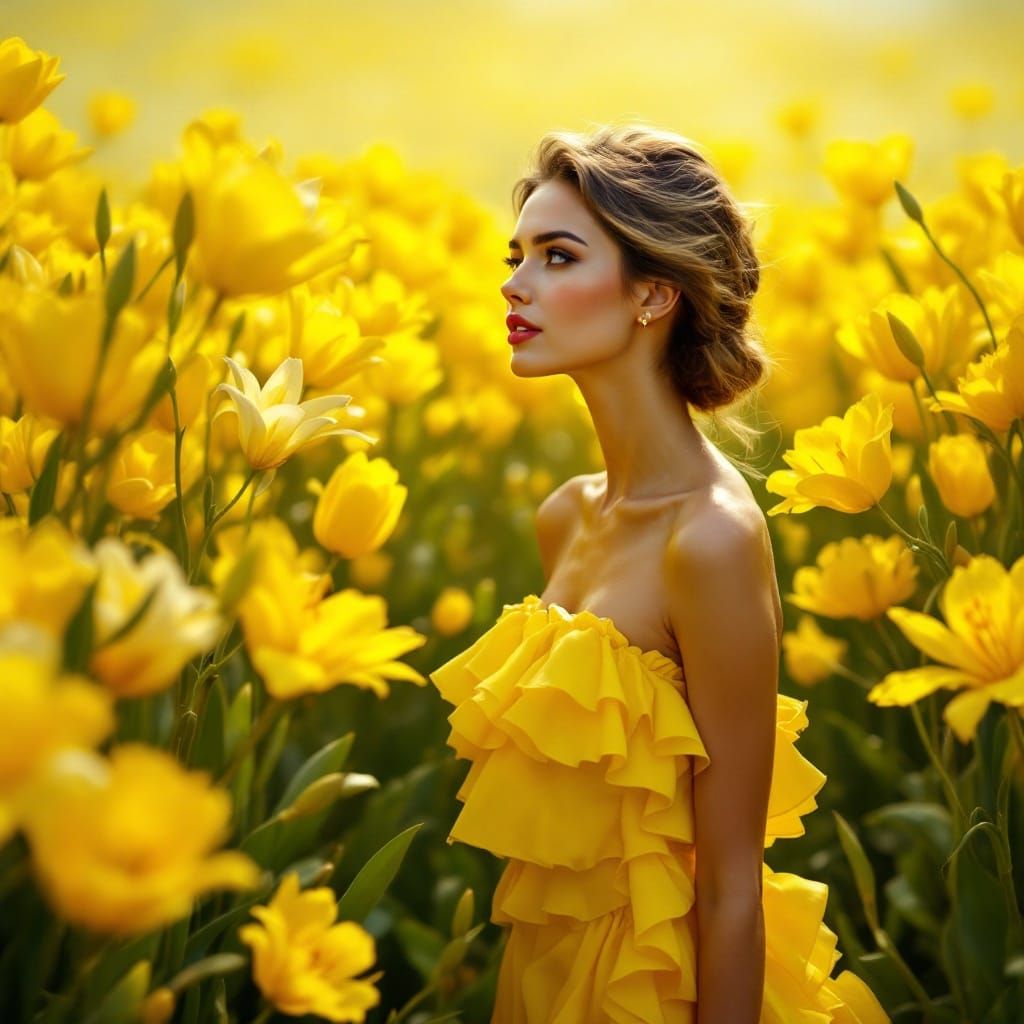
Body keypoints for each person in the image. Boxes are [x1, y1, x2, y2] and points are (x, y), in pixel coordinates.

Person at [429, 123, 889, 1023]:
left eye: (557, 257)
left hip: (666, 988)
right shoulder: (564, 515)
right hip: (543, 984)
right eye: (516, 255)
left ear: (652, 296)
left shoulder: (711, 541)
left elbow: (728, 885)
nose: (514, 285)